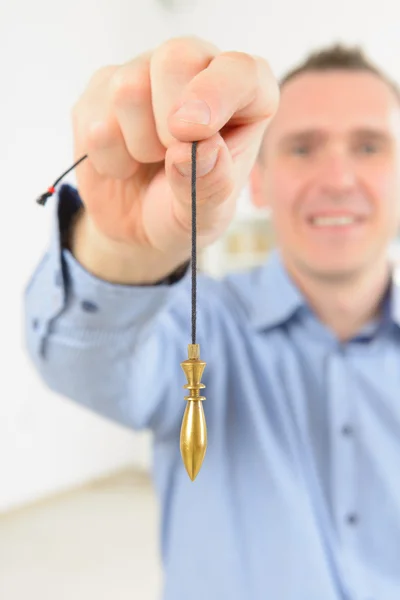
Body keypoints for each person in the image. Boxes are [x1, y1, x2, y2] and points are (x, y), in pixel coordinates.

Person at [23, 36, 400, 600]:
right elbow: (85, 359)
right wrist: (129, 251)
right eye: (302, 148)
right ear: (258, 179)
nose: (339, 179)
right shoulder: (194, 323)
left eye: (369, 147)